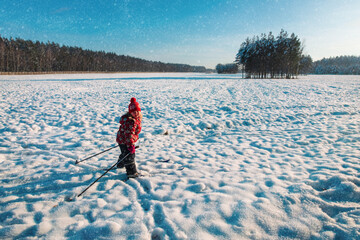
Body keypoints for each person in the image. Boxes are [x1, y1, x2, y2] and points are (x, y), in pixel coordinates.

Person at [116, 97, 142, 178]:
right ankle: (131, 173)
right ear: (130, 113)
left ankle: (120, 163)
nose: (136, 113)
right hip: (125, 140)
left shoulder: (136, 119)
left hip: (123, 139)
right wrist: (130, 145)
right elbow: (129, 134)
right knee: (129, 156)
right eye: (134, 112)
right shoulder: (130, 121)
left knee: (124, 153)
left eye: (137, 111)